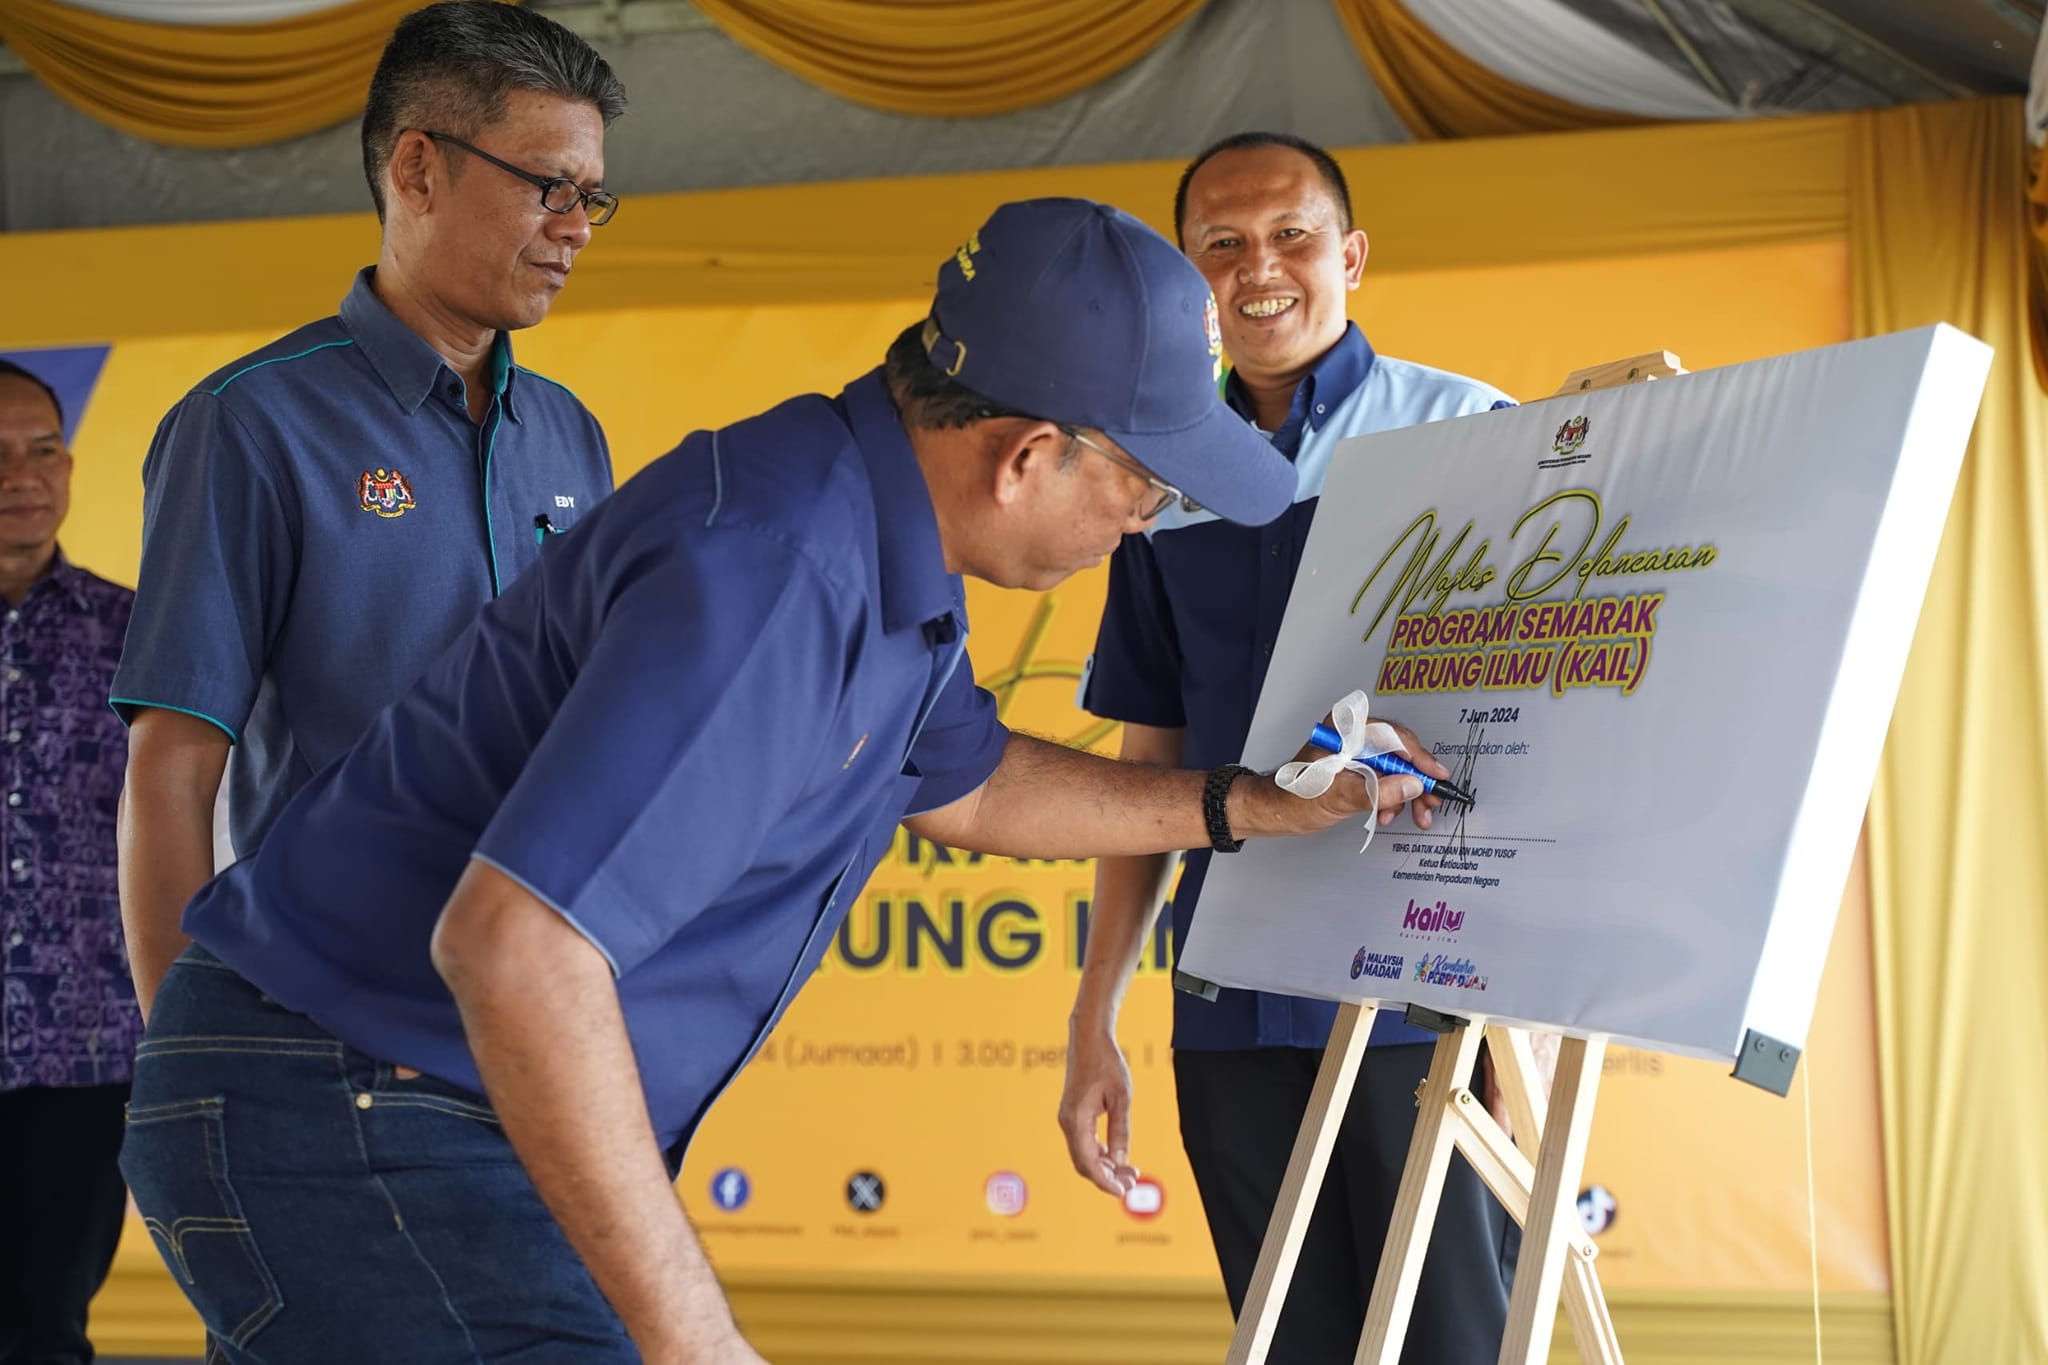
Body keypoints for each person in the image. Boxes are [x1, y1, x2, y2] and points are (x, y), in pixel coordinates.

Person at [117, 198, 1453, 1365]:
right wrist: (693, 1336)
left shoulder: (868, 526)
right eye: (1145, 488)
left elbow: (973, 785)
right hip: (360, 1101)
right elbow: (514, 945)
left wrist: (1247, 803)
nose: (1140, 523)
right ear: (1025, 456)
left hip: (389, 1098)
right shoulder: (776, 565)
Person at [1060, 132, 1519, 1363]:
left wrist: (1515, 1010)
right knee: (1283, 1342)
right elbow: (1146, 771)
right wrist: (1095, 1012)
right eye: (1219, 244)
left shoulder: (1467, 427)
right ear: (1184, 278)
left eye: (1289, 236)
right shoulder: (1153, 479)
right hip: (1228, 999)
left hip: (1419, 993)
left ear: (1349, 256)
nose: (1255, 268)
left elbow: (1534, 728)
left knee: (1448, 1340)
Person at [111, 0, 623, 1020]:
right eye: (548, 187)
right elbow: (173, 768)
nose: (573, 227)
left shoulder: (569, 432)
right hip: (330, 1015)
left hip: (545, 1005)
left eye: (591, 198)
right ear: (417, 169)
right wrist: (183, 1051)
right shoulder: (250, 422)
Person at [0, 360, 139, 1365]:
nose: (23, 475)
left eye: (42, 448)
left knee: (45, 1335)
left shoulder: (141, 636)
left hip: (80, 1054)